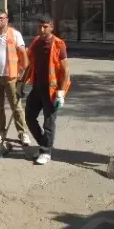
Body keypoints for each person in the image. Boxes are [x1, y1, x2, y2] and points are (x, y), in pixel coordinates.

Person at [23, 15, 71, 165]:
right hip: (37, 87)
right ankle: (44, 144)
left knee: (48, 122)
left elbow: (65, 71)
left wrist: (61, 93)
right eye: (40, 27)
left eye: (45, 26)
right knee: (29, 117)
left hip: (52, 89)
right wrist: (21, 83)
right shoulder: (36, 43)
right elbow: (30, 65)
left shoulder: (58, 44)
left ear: (51, 27)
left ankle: (45, 151)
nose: (42, 29)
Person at [0, 10, 31, 146]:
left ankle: (23, 133)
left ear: (7, 19)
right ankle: (1, 131)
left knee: (16, 106)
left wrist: (22, 72)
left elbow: (23, 54)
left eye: (1, 18)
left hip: (11, 77)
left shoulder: (15, 34)